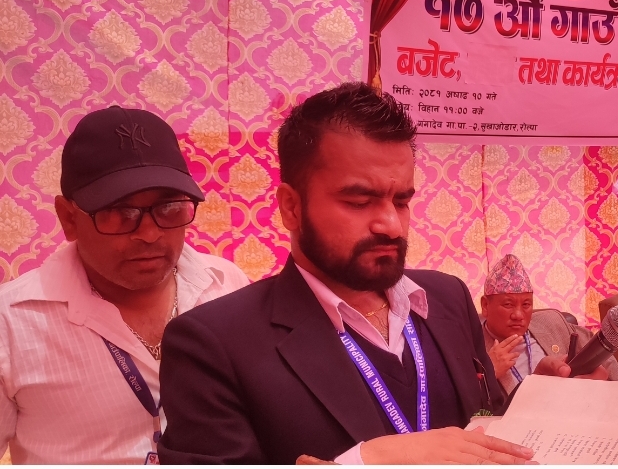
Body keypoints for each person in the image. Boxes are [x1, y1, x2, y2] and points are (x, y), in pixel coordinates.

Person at [157, 83, 548, 464]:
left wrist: (540, 404)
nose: (391, 226)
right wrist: (362, 461)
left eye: (402, 201)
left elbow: (484, 418)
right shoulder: (214, 345)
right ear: (291, 207)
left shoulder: (447, 298)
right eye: (360, 201)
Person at [0, 106, 249, 464]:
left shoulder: (227, 287)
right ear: (68, 218)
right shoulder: (10, 324)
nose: (149, 234)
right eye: (120, 213)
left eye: (169, 208)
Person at [482, 254, 618, 397]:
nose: (518, 315)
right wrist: (488, 373)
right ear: (485, 306)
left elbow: (606, 361)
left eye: (526, 305)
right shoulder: (473, 350)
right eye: (508, 305)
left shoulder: (552, 322)